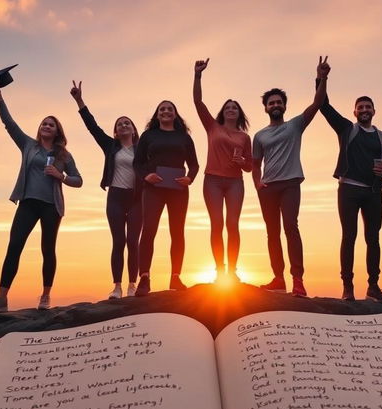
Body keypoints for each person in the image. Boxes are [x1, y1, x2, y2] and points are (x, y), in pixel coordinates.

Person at [0, 83, 82, 314]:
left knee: (48, 249)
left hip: (51, 206)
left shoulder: (63, 155)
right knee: (14, 245)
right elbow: (9, 124)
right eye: (44, 124)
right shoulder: (28, 145)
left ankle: (46, 295)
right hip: (28, 202)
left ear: (57, 131)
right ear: (40, 129)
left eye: (51, 125)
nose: (47, 126)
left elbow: (78, 180)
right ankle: (1, 299)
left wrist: (61, 176)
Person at [252, 55, 330, 298]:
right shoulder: (260, 136)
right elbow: (255, 164)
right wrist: (257, 182)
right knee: (272, 232)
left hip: (290, 183)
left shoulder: (295, 125)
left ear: (284, 106)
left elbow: (317, 103)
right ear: (265, 108)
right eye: (271, 103)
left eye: (279, 102)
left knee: (290, 227)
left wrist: (321, 78)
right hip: (268, 187)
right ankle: (278, 278)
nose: (275, 105)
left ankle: (298, 279)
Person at [319, 83, 382, 303]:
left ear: (374, 111)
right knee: (349, 237)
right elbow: (324, 106)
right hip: (349, 189)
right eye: (360, 107)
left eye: (368, 107)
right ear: (354, 112)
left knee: (373, 239)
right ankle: (348, 287)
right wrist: (321, 79)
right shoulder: (347, 129)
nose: (364, 110)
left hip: (374, 191)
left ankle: (373, 287)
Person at [70, 80, 142, 299]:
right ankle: (117, 287)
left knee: (133, 242)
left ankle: (132, 285)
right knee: (119, 241)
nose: (123, 126)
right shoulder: (110, 146)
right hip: (116, 197)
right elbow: (92, 127)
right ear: (116, 131)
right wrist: (79, 101)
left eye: (127, 123)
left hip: (138, 198)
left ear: (133, 129)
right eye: (119, 124)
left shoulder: (143, 148)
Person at [192, 58, 252, 282]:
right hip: (213, 181)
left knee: (233, 224)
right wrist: (198, 75)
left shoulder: (245, 137)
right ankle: (219, 271)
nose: (230, 110)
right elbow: (198, 102)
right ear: (222, 112)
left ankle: (233, 272)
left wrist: (242, 161)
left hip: (235, 182)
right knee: (217, 224)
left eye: (234, 108)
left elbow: (250, 166)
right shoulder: (212, 127)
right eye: (227, 107)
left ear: (239, 113)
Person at [133, 101, 199, 296]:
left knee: (177, 231)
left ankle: (176, 276)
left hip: (178, 189)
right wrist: (146, 176)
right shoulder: (148, 136)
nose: (166, 111)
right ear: (157, 114)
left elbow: (194, 165)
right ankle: (144, 278)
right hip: (153, 188)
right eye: (162, 109)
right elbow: (137, 163)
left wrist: (189, 178)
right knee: (149, 230)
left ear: (175, 114)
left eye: (170, 109)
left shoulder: (184, 137)